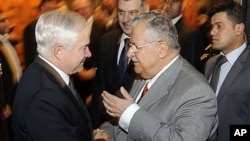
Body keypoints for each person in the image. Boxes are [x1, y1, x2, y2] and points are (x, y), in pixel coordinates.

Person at [100, 10, 218, 141]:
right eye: (130, 45)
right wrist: (106, 133)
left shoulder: (197, 92)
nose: (129, 53)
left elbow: (181, 138)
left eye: (136, 47)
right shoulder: (143, 73)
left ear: (162, 49)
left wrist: (131, 114)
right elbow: (122, 120)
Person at [12, 10, 110, 141]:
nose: (89, 53)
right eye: (84, 47)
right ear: (59, 52)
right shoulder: (44, 97)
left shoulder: (44, 71)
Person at [90, 0, 149, 129]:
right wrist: (94, 129)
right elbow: (98, 90)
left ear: (146, 10)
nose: (125, 19)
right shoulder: (106, 41)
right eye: (121, 12)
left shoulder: (154, 47)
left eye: (132, 13)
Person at [204, 2, 250, 141]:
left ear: (239, 29)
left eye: (219, 26)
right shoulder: (210, 63)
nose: (212, 32)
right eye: (212, 27)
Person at [71, 0, 107, 105]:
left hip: (95, 78)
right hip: (77, 76)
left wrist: (94, 70)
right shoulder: (71, 28)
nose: (81, 12)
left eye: (84, 8)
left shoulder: (101, 27)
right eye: (78, 10)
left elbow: (104, 52)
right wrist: (79, 70)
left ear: (91, 8)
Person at [160, 0, 206, 71]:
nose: (169, 5)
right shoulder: (159, 27)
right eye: (166, 1)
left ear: (182, 5)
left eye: (174, 1)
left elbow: (190, 68)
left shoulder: (191, 33)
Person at [0, 9, 22, 141]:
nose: (7, 23)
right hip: (7, 100)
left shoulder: (5, 40)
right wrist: (5, 103)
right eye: (2, 21)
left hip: (16, 94)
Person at [23, 0, 59, 69]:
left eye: (56, 9)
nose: (54, 13)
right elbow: (34, 57)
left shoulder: (57, 26)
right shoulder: (33, 28)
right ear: (42, 9)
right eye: (51, 9)